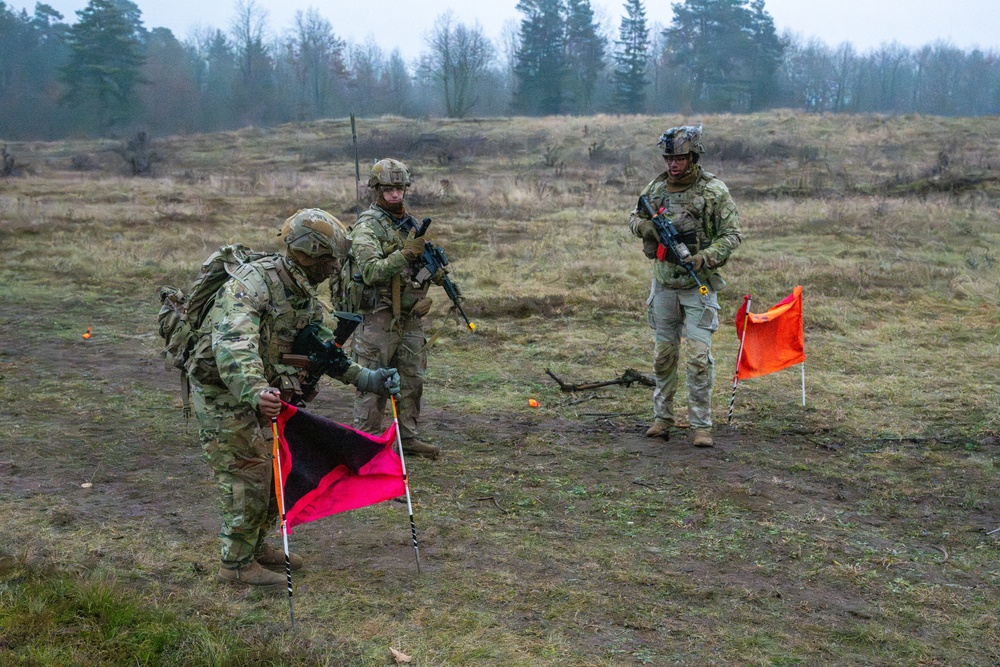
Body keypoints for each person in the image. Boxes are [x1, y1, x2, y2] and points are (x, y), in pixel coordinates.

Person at [187, 208, 401, 589]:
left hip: (260, 393)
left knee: (275, 471)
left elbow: (321, 348)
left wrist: (367, 378)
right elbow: (234, 346)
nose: (336, 266)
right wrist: (256, 391)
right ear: (310, 253)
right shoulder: (251, 284)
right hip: (222, 391)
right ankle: (235, 564)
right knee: (247, 473)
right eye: (330, 258)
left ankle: (254, 547)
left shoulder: (298, 290)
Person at [629, 125, 742, 448]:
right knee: (663, 356)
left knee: (698, 357)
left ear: (693, 157)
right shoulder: (655, 189)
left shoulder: (714, 191)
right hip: (664, 285)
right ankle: (661, 419)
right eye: (669, 158)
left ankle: (700, 426)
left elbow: (732, 234)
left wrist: (705, 257)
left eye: (679, 157)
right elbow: (633, 219)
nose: (673, 164)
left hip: (698, 286)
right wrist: (647, 227)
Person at [343, 158, 442, 460]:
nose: (395, 195)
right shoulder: (367, 226)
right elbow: (371, 270)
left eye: (399, 188)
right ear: (376, 190)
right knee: (372, 382)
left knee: (412, 379)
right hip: (378, 317)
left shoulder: (408, 223)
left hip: (409, 316)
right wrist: (404, 254)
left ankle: (407, 438)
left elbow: (413, 262)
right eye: (388, 189)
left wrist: (432, 268)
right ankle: (366, 445)